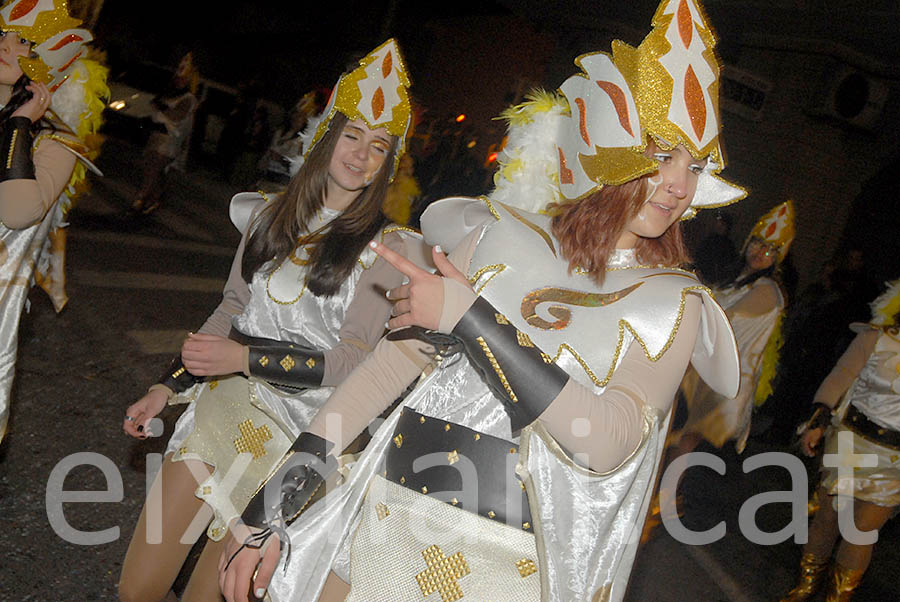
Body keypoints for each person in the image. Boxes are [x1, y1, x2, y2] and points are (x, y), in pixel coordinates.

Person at [218, 2, 746, 601]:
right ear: (608, 145)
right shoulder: (497, 238)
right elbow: (378, 378)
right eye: (661, 156)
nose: (680, 185)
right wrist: (268, 507)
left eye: (694, 166)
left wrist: (471, 320)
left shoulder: (673, 304)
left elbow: (607, 442)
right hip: (383, 521)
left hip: (503, 571)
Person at [118, 39, 416, 602]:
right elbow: (231, 309)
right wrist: (168, 385)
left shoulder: (387, 248)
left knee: (208, 596)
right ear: (326, 136)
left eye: (379, 146)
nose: (360, 155)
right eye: (351, 135)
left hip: (293, 443)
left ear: (388, 165)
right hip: (219, 413)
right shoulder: (266, 216)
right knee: (138, 587)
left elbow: (353, 359)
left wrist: (245, 358)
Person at [0, 0, 107, 442]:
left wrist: (19, 126)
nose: (6, 45)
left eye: (23, 40)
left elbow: (18, 211)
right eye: (2, 34)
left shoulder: (55, 144)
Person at [780, 279, 900, 601]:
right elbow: (839, 378)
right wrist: (817, 422)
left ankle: (837, 597)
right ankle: (806, 585)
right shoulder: (876, 338)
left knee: (861, 531)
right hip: (851, 441)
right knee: (828, 519)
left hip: (894, 459)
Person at [675, 200, 794, 455]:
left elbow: (723, 317)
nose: (760, 252)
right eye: (757, 243)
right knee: (676, 437)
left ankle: (666, 493)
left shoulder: (768, 290)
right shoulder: (734, 279)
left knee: (687, 441)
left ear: (778, 258)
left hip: (726, 381)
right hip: (702, 372)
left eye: (770, 250)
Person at [131, 52, 199, 215]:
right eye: (178, 78)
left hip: (169, 142)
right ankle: (156, 199)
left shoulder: (189, 99)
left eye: (183, 79)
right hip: (156, 138)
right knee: (152, 170)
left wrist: (160, 107)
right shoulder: (169, 93)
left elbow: (176, 116)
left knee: (153, 169)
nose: (179, 81)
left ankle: (140, 200)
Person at [256, 90, 324, 191]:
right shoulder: (281, 132)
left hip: (283, 180)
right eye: (296, 115)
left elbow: (299, 165)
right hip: (267, 174)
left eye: (301, 117)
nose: (296, 119)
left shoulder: (303, 140)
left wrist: (281, 159)